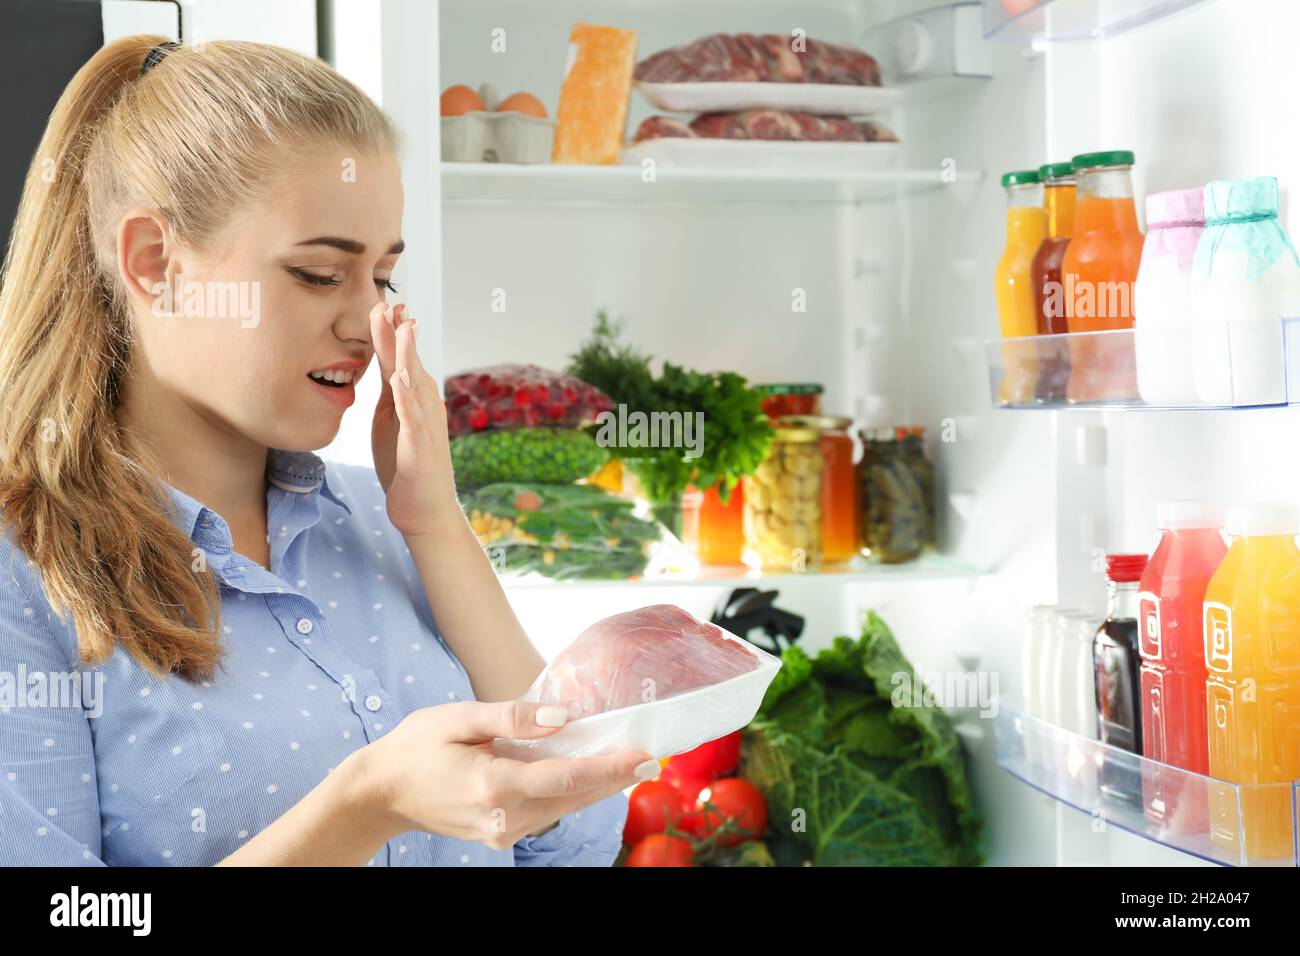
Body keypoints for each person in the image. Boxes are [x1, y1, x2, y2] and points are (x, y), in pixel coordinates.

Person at [0, 35, 658, 867]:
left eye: (382, 278)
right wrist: (361, 807)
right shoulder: (24, 574)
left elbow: (578, 840)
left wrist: (437, 524)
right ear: (154, 263)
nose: (364, 322)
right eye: (318, 274)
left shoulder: (385, 524)